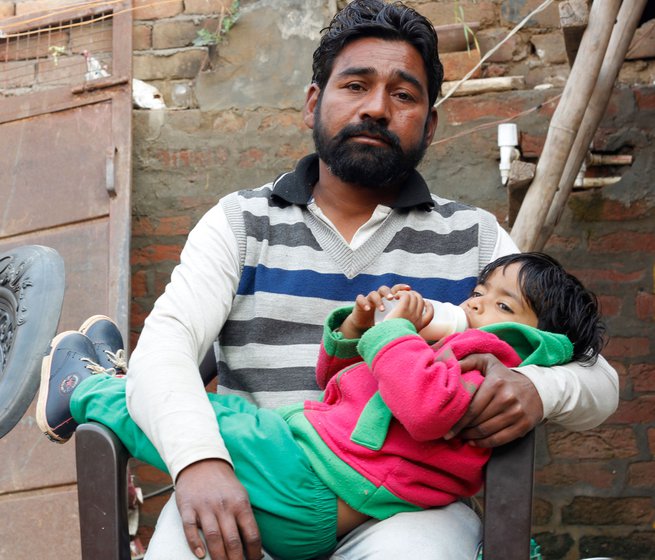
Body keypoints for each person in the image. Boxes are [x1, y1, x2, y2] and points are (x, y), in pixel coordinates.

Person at [116, 1, 618, 558]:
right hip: (258, 487)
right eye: (355, 85)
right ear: (313, 103)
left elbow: (600, 381)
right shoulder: (241, 223)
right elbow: (164, 347)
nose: (377, 108)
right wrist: (199, 461)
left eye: (403, 95)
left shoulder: (476, 238)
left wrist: (538, 387)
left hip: (407, 509)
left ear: (429, 124)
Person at [37, 253, 605, 560]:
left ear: (543, 341)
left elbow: (425, 408)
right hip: (310, 474)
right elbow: (345, 388)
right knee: (204, 418)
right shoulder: (243, 219)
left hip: (311, 486)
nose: (476, 304)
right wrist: (355, 333)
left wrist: (395, 331)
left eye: (500, 302)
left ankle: (80, 392)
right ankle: (120, 379)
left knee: (219, 419)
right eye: (477, 294)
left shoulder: (490, 358)